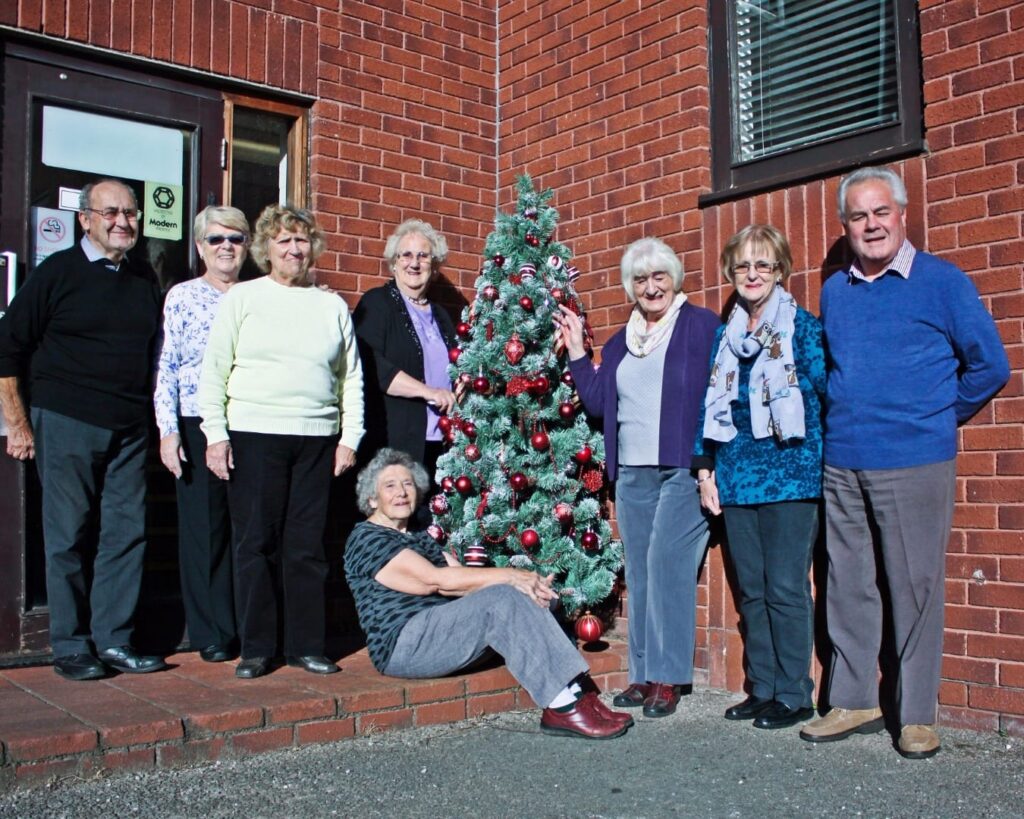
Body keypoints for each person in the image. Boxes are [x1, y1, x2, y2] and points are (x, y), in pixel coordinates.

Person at [800, 166, 1009, 759]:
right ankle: (854, 700)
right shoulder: (836, 290)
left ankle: (916, 714)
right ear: (845, 226)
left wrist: (936, 419)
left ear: (902, 214)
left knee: (914, 588)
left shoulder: (942, 282)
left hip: (915, 460)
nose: (871, 225)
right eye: (859, 216)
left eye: (881, 212)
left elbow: (989, 366)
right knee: (846, 585)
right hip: (843, 460)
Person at [344, 448, 633, 740]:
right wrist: (511, 577)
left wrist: (529, 589)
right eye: (390, 486)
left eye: (407, 484)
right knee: (503, 596)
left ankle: (578, 695)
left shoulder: (419, 536)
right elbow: (437, 581)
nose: (401, 492)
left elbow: (465, 581)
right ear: (371, 499)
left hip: (439, 632)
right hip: (404, 644)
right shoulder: (367, 537)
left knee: (516, 594)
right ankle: (562, 707)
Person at [0, 178, 166, 680]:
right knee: (67, 536)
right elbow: (8, 347)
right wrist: (18, 423)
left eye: (130, 212)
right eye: (110, 212)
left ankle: (115, 641)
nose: (122, 221)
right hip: (68, 420)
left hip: (129, 428)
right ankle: (70, 646)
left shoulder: (142, 278)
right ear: (85, 219)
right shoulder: (58, 272)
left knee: (125, 535)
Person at [198, 204, 365, 679]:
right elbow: (215, 370)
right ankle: (257, 650)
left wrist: (348, 437)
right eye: (284, 240)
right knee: (255, 544)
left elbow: (349, 378)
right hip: (254, 436)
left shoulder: (331, 305)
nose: (294, 248)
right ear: (266, 248)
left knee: (306, 547)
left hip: (316, 440)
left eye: (302, 240)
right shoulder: (243, 298)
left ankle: (305, 646)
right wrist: (215, 435)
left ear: (313, 248)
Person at [555, 237, 719, 718]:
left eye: (659, 276)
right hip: (632, 474)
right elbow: (602, 404)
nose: (651, 287)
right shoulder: (620, 341)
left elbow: (719, 395)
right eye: (641, 279)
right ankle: (643, 675)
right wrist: (579, 355)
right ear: (630, 287)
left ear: (674, 278)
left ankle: (669, 677)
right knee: (643, 574)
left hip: (682, 469)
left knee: (668, 563)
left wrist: (709, 463)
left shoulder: (701, 325)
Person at [693, 225, 826, 730]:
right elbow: (709, 405)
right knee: (751, 589)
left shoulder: (802, 328)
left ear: (779, 271)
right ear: (731, 272)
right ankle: (763, 688)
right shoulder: (725, 337)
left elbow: (828, 396)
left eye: (763, 265)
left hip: (792, 476)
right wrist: (704, 467)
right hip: (737, 476)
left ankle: (794, 694)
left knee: (786, 587)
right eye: (743, 266)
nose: (752, 275)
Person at [154, 206, 250, 663]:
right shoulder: (182, 296)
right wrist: (168, 430)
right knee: (203, 530)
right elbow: (168, 366)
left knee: (246, 530)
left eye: (235, 238)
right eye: (216, 239)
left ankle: (248, 626)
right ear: (199, 247)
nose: (226, 247)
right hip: (195, 423)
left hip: (251, 423)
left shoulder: (259, 296)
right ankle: (211, 632)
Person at [353, 219, 456, 481]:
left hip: (442, 438)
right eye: (406, 255)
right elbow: (371, 365)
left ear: (433, 265)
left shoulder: (441, 315)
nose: (414, 262)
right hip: (396, 440)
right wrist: (428, 392)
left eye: (423, 255)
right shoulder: (377, 303)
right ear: (394, 263)